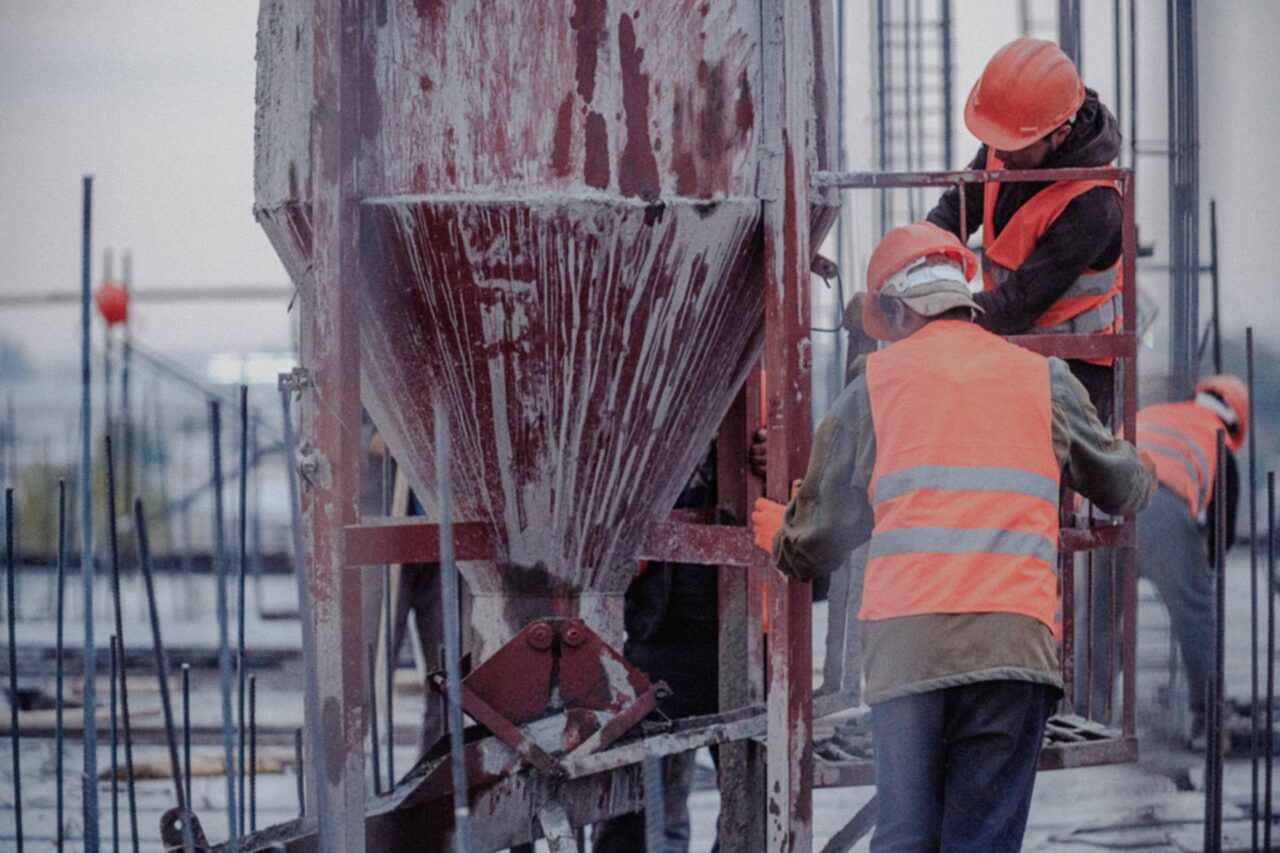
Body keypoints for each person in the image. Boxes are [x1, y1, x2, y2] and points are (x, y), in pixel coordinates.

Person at [752, 221, 1155, 851]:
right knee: (982, 840)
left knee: (906, 836)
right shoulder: (1041, 379)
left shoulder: (873, 390)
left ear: (896, 309)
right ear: (963, 298)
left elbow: (817, 542)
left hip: (908, 653)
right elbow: (1125, 487)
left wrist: (779, 532)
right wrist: (1141, 459)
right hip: (1010, 651)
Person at [927, 37, 1123, 423]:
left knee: (1037, 470)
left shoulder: (1093, 205)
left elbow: (1019, 303)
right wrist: (914, 267)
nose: (1001, 153)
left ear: (1060, 135)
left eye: (1013, 145)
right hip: (1015, 348)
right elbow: (954, 213)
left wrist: (932, 311)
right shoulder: (1012, 141)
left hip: (1079, 370)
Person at [1136, 374, 1246, 747]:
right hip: (1159, 504)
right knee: (1196, 615)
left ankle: (1085, 710)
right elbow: (1222, 535)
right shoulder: (1217, 439)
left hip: (1103, 501)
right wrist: (1199, 571)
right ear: (1234, 420)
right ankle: (1210, 721)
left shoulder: (1154, 412)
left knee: (1098, 620)